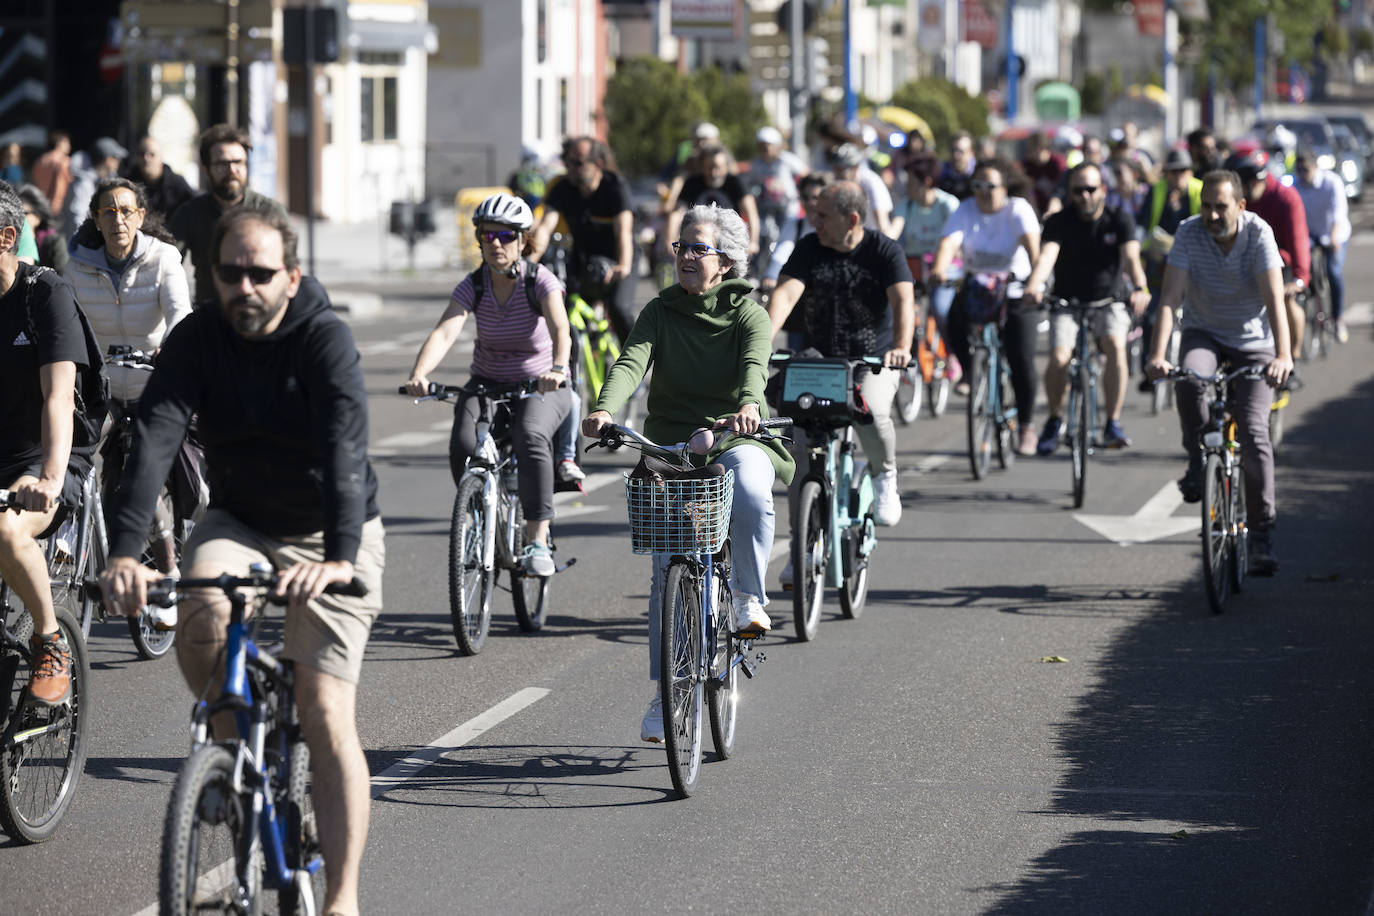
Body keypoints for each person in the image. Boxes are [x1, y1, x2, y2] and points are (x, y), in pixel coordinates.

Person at [100, 206, 384, 916]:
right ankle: (232, 760)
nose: (246, 287)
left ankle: (343, 899)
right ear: (213, 276)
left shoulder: (323, 339)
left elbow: (348, 452)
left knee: (322, 707)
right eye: (232, 273)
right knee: (198, 616)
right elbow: (156, 438)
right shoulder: (197, 339)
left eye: (261, 273)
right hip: (243, 521)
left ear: (291, 276)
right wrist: (127, 554)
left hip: (330, 533)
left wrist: (340, 560)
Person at [580, 204, 793, 742]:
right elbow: (632, 362)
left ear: (727, 261)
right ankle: (666, 693)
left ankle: (748, 597)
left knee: (747, 483)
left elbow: (755, 368)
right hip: (672, 443)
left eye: (700, 247)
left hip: (732, 433)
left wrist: (748, 405)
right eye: (682, 246)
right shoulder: (661, 310)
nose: (688, 256)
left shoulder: (750, 312)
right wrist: (605, 409)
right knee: (664, 576)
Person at [405, 193, 572, 575]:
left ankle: (536, 540)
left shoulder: (539, 280)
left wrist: (559, 368)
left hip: (541, 383)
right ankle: (480, 509)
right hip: (487, 382)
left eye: (505, 236)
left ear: (523, 241)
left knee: (531, 434)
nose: (495, 243)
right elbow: (446, 331)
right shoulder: (474, 284)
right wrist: (420, 375)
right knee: (463, 443)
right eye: (486, 236)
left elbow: (561, 328)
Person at [1145, 169, 1292, 575]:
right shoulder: (1189, 233)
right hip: (1203, 332)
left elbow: (1275, 300)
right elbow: (1169, 299)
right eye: (1206, 206)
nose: (1211, 214)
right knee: (1189, 380)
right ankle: (1197, 460)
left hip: (1254, 343)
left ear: (1240, 207)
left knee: (1253, 428)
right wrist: (1158, 354)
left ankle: (1262, 530)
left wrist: (1283, 355)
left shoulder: (1259, 234)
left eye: (1220, 207)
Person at [64, 177, 193, 604]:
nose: (117, 219)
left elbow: (180, 317)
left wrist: (171, 351)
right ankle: (66, 540)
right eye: (108, 212)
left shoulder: (164, 259)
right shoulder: (77, 266)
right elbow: (65, 323)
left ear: (140, 216)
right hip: (100, 392)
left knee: (146, 480)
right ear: (96, 220)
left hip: (149, 388)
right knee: (68, 456)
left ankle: (169, 572)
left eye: (125, 210)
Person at [766, 180, 916, 532]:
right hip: (821, 361)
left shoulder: (884, 250)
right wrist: (760, 347)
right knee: (800, 451)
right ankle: (801, 549)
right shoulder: (809, 247)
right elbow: (785, 297)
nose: (813, 221)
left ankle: (884, 475)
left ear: (851, 219)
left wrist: (901, 348)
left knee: (872, 410)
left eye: (822, 215)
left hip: (873, 360)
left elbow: (903, 301)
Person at [0, 180, 93, 706]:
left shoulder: (45, 295)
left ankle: (49, 639)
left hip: (43, 458)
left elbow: (58, 398)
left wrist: (50, 480)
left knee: (8, 530)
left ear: (6, 237)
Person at [1025, 162, 1152, 452]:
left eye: (1091, 189)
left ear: (1103, 191)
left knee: (1115, 345)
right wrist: (1034, 285)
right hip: (1067, 301)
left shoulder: (1119, 219)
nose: (1084, 196)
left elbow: (1132, 259)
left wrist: (1140, 288)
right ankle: (1055, 419)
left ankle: (1112, 422)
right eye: (1078, 190)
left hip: (1109, 299)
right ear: (1069, 192)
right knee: (1058, 357)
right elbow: (1046, 258)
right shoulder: (1058, 221)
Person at [929, 158, 1043, 455]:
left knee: (1021, 356)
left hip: (1017, 289)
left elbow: (1033, 248)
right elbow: (948, 244)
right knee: (952, 319)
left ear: (1004, 188)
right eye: (976, 185)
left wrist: (1035, 284)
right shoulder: (965, 210)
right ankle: (970, 370)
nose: (982, 192)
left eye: (990, 186)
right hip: (977, 285)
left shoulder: (1017, 209)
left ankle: (1027, 426)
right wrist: (940, 269)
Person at [528, 136, 637, 343]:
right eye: (567, 162)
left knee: (619, 309)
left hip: (620, 258)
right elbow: (544, 228)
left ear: (598, 164)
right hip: (583, 259)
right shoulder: (563, 188)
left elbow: (624, 231)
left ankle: (635, 368)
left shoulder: (615, 187)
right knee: (567, 309)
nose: (570, 168)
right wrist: (529, 263)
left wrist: (623, 265)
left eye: (577, 163)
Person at [169, 123, 288, 309]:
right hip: (209, 315)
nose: (232, 170)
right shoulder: (190, 213)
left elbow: (288, 268)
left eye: (239, 162)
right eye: (223, 164)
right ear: (206, 170)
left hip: (259, 311)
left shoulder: (270, 211)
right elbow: (168, 265)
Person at [1224, 150, 1310, 365]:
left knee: (1285, 300)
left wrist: (1299, 279)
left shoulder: (1286, 198)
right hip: (1247, 261)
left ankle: (1294, 356)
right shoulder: (1240, 201)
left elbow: (1298, 241)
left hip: (1282, 263)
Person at [1136, 149, 1203, 383]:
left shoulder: (1199, 190)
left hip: (1193, 263)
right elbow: (1142, 225)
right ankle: (1149, 366)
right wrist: (1142, 249)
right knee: (1151, 315)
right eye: (1173, 172)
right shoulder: (1157, 191)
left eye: (1182, 171)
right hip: (1159, 262)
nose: (1178, 176)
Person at [1291, 147, 1350, 343]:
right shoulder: (1295, 184)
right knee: (1301, 270)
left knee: (1333, 272)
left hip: (1334, 234)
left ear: (1315, 167)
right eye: (1298, 170)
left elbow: (1338, 212)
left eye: (1305, 170)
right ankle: (1310, 299)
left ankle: (1338, 318)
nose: (1302, 174)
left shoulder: (1331, 182)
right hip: (1309, 234)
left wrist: (1333, 237)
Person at [667, 144, 761, 258]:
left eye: (718, 167)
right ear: (701, 166)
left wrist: (753, 242)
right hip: (698, 242)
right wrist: (670, 239)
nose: (714, 172)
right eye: (709, 167)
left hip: (729, 241)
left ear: (726, 166)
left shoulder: (736, 182)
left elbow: (751, 212)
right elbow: (677, 213)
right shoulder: (691, 183)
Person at [762, 170, 830, 294]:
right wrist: (771, 275)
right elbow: (783, 250)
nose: (810, 203)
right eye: (805, 197)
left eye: (815, 198)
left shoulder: (834, 226)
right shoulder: (794, 223)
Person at [828, 142, 897, 238]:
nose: (837, 175)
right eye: (836, 169)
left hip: (872, 242)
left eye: (842, 169)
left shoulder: (871, 183)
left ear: (855, 168)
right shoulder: (837, 185)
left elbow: (883, 227)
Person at [62, 136, 126, 238]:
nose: (118, 162)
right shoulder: (84, 185)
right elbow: (78, 218)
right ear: (107, 159)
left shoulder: (105, 180)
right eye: (116, 158)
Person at [121, 135, 194, 218]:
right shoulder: (127, 183)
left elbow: (193, 207)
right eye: (141, 154)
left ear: (161, 157)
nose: (146, 158)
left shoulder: (177, 183)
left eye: (152, 154)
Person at [17, 184, 68, 272]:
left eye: (24, 213)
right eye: (15, 212)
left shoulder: (55, 243)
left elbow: (63, 278)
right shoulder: (8, 242)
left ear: (38, 217)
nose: (17, 217)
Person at [1022, 131, 1067, 216]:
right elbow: (1027, 190)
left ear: (1041, 148)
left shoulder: (1058, 164)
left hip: (1059, 210)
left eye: (1031, 148)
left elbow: (1062, 190)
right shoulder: (1028, 166)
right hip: (1037, 211)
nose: (1027, 152)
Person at [30, 130, 71, 215]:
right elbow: (60, 186)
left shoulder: (40, 160)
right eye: (67, 142)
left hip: (39, 203)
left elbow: (34, 181)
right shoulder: (63, 161)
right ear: (59, 143)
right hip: (56, 207)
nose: (69, 146)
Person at [938, 131, 977, 200]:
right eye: (953, 150)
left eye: (961, 151)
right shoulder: (941, 174)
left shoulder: (978, 176)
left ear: (971, 153)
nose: (956, 155)